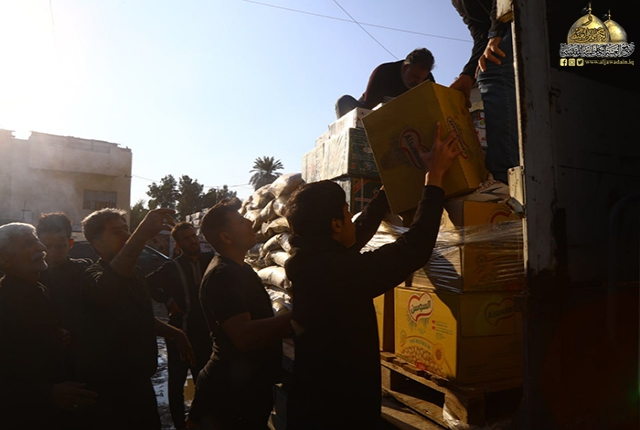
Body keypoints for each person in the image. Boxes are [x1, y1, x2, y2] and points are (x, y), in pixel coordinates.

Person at [282, 122, 460, 429]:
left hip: (314, 403)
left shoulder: (309, 261)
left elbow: (352, 238)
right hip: (340, 414)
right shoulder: (338, 273)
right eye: (346, 212)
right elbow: (413, 249)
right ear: (336, 224)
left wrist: (384, 195)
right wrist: (435, 179)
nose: (351, 219)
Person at [76, 208, 195, 429]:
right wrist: (141, 235)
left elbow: (141, 317)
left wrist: (176, 333)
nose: (127, 235)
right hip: (111, 393)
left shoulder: (136, 273)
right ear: (97, 244)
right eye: (116, 232)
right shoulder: (91, 276)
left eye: (127, 229)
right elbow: (108, 287)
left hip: (141, 385)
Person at [189, 198, 293, 429]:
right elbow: (243, 336)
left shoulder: (241, 268)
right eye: (240, 221)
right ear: (226, 237)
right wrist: (299, 317)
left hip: (244, 389)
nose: (250, 222)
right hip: (228, 395)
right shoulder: (222, 275)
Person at [0, 223, 98, 429]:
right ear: (5, 259)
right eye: (28, 244)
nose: (41, 248)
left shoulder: (39, 290)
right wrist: (46, 392)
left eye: (37, 241)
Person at [147, 221, 215, 430]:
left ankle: (199, 420)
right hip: (179, 332)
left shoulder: (211, 261)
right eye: (186, 238)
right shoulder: (171, 267)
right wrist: (168, 300)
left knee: (204, 380)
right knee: (176, 383)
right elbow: (149, 284)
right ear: (178, 244)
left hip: (205, 333)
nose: (192, 241)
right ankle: (179, 424)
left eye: (193, 236)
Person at [450, 0, 518, 187]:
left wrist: (495, 35)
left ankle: (504, 178)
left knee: (492, 70)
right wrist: (467, 74)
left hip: (532, 15)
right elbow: (481, 33)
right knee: (485, 67)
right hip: (506, 27)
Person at [36, 213, 93, 357]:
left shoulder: (84, 270)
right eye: (47, 246)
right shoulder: (30, 275)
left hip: (81, 352)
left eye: (60, 247)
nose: (52, 253)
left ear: (70, 243)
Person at [335, 47, 436, 118]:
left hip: (403, 120)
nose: (418, 82)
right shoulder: (384, 73)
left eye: (422, 78)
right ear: (405, 68)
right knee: (344, 102)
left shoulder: (428, 82)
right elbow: (368, 108)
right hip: (372, 112)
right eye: (415, 76)